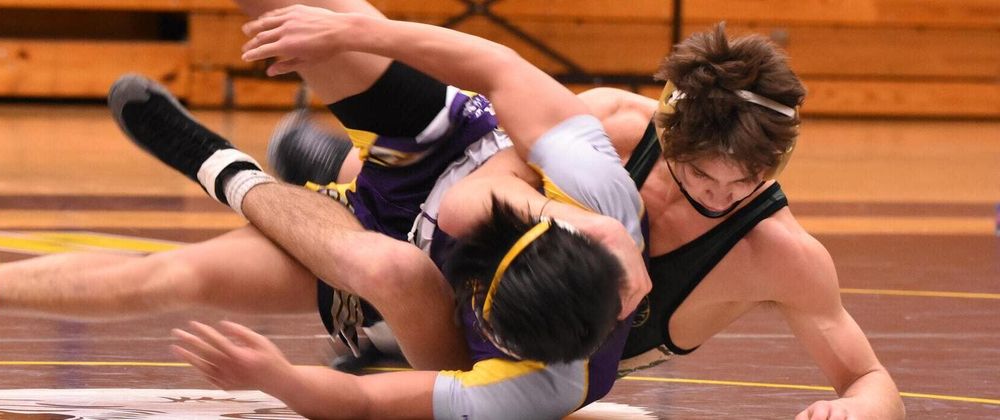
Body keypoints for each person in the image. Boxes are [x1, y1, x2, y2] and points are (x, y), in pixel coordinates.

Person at [0, 6, 649, 420]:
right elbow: (529, 77)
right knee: (300, 21)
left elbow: (369, 405)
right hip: (445, 150)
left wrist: (280, 378)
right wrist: (358, 30)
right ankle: (295, 164)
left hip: (384, 251)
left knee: (182, 276)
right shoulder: (600, 204)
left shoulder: (533, 389)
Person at [248, 7, 905, 419]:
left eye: (748, 183)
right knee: (429, 185)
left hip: (534, 347)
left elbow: (871, 378)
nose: (720, 198)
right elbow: (477, 167)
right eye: (701, 174)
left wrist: (856, 412)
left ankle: (331, 166)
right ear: (668, 135)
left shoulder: (780, 255)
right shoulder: (617, 127)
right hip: (474, 245)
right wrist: (365, 32)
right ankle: (341, 165)